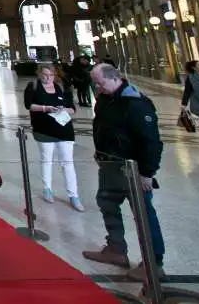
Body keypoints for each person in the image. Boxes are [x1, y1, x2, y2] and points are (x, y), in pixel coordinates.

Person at [83, 64, 165, 282]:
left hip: (131, 168)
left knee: (143, 213)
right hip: (108, 165)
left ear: (114, 78)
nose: (97, 88)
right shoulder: (104, 99)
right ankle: (116, 250)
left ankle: (154, 263)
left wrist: (147, 173)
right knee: (107, 204)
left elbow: (151, 142)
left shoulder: (136, 103)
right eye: (96, 84)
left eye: (100, 83)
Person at [24, 66, 83, 211]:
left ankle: (74, 195)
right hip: (44, 129)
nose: (48, 77)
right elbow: (28, 105)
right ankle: (47, 189)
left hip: (64, 129)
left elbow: (72, 108)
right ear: (39, 74)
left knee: (67, 162)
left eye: (51, 75)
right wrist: (46, 108)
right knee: (47, 159)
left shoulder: (62, 87)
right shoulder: (33, 87)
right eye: (45, 74)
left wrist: (63, 109)